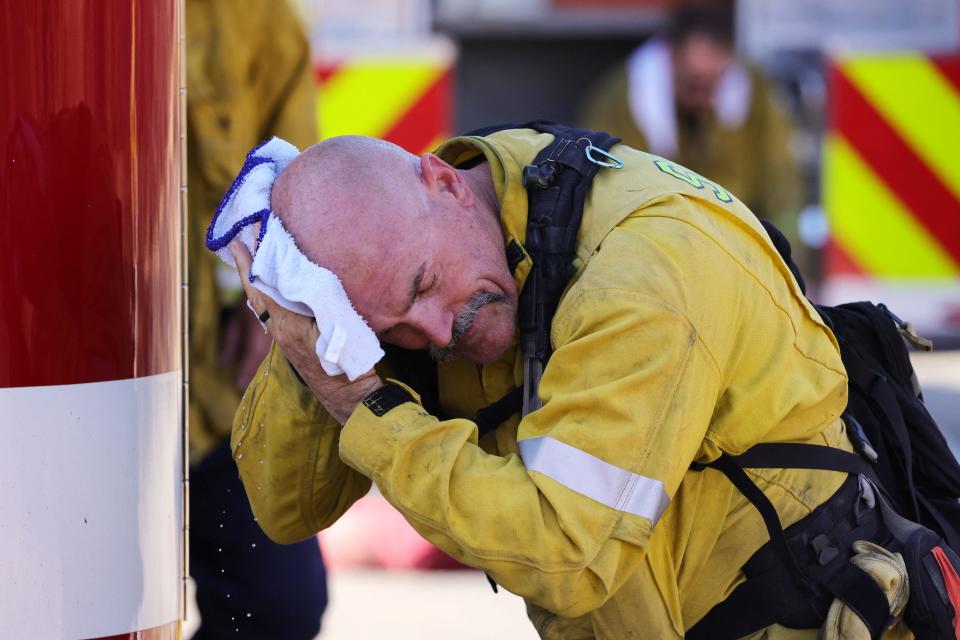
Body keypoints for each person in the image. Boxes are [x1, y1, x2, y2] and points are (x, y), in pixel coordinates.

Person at [224, 127, 907, 638]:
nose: (434, 333)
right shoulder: (415, 251)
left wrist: (359, 401)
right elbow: (286, 508)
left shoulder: (644, 276)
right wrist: (308, 327)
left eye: (425, 285)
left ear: (446, 183)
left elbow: (566, 558)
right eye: (389, 325)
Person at [185, 0, 327, 637]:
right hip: (61, 380)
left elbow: (294, 169)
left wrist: (267, 298)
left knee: (275, 607)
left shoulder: (259, 15)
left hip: (218, 377)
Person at [580, 6, 803, 246]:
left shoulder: (755, 94)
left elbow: (782, 187)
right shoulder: (622, 100)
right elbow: (604, 192)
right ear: (670, 57)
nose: (703, 95)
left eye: (714, 82)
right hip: (652, 246)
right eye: (694, 82)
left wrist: (785, 259)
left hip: (739, 246)